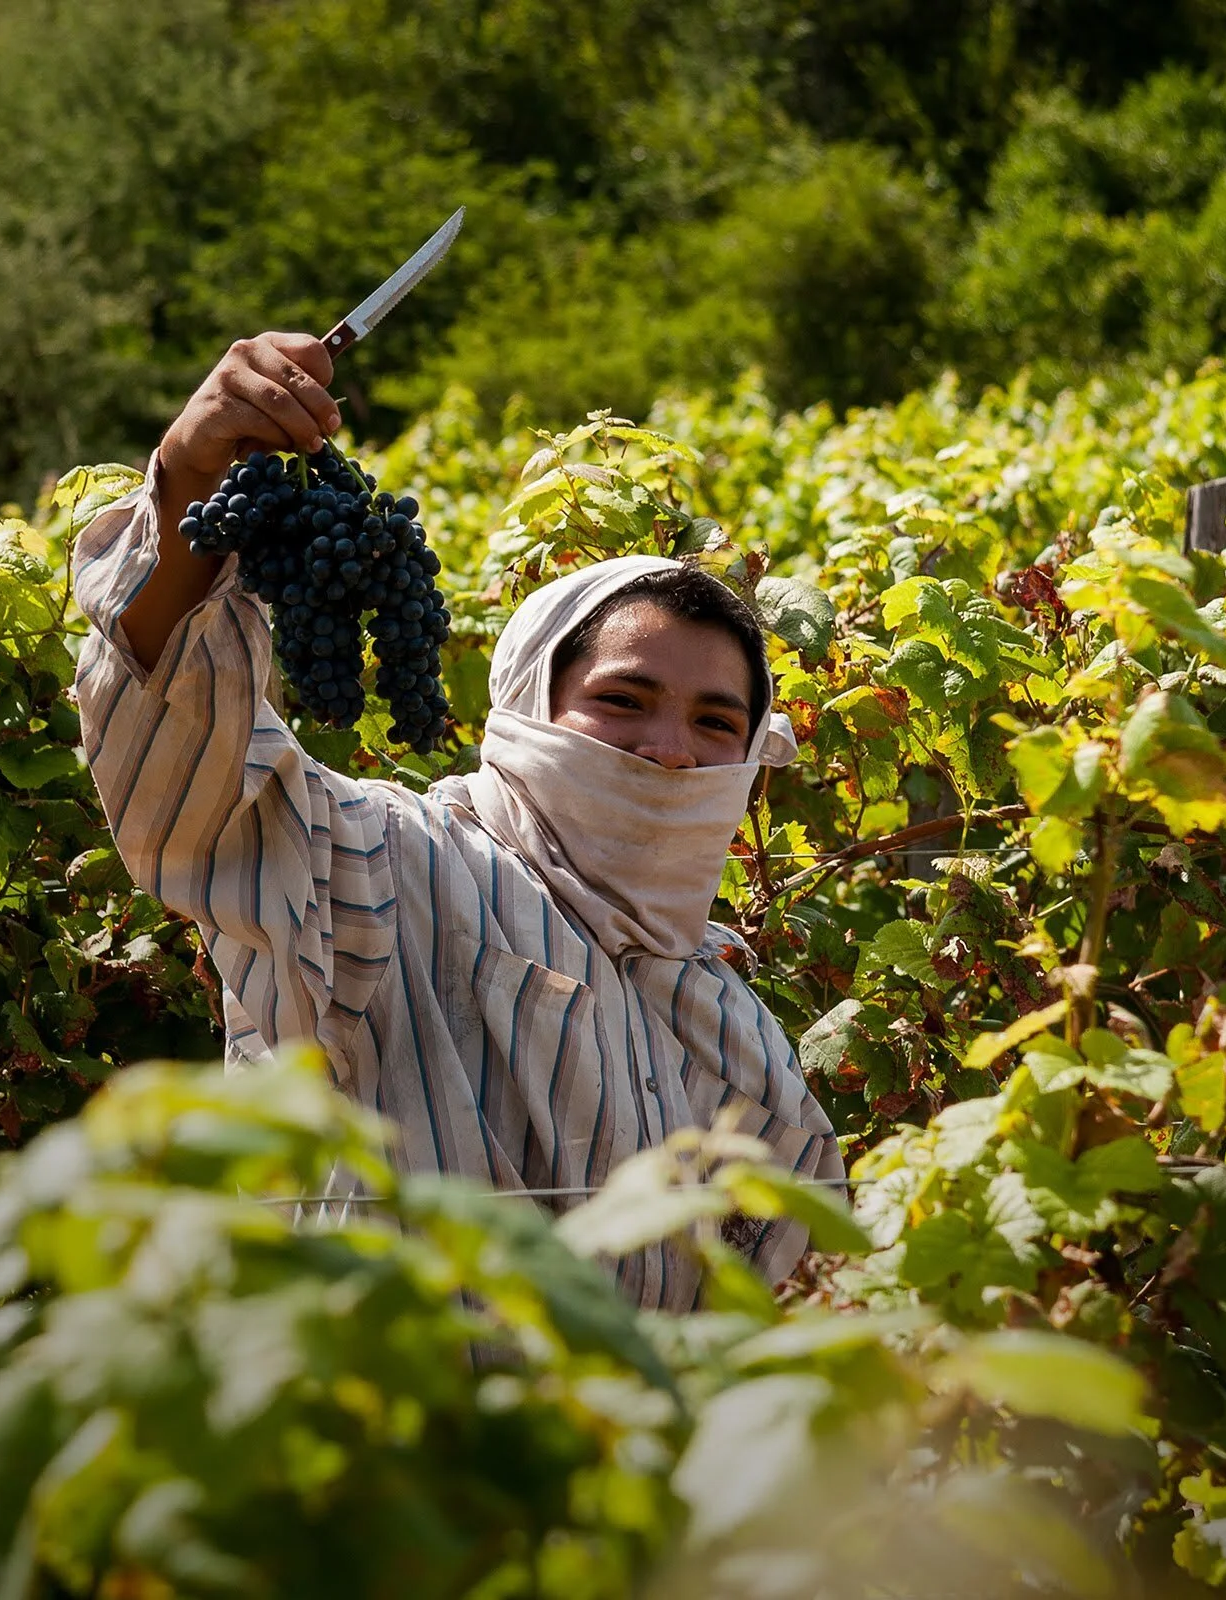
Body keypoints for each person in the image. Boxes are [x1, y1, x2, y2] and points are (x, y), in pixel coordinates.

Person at [71, 332, 842, 1309]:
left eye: (716, 723)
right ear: (525, 709)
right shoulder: (388, 867)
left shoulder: (734, 1020)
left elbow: (798, 1293)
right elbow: (190, 774)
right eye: (623, 700)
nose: (671, 751)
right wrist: (192, 480)